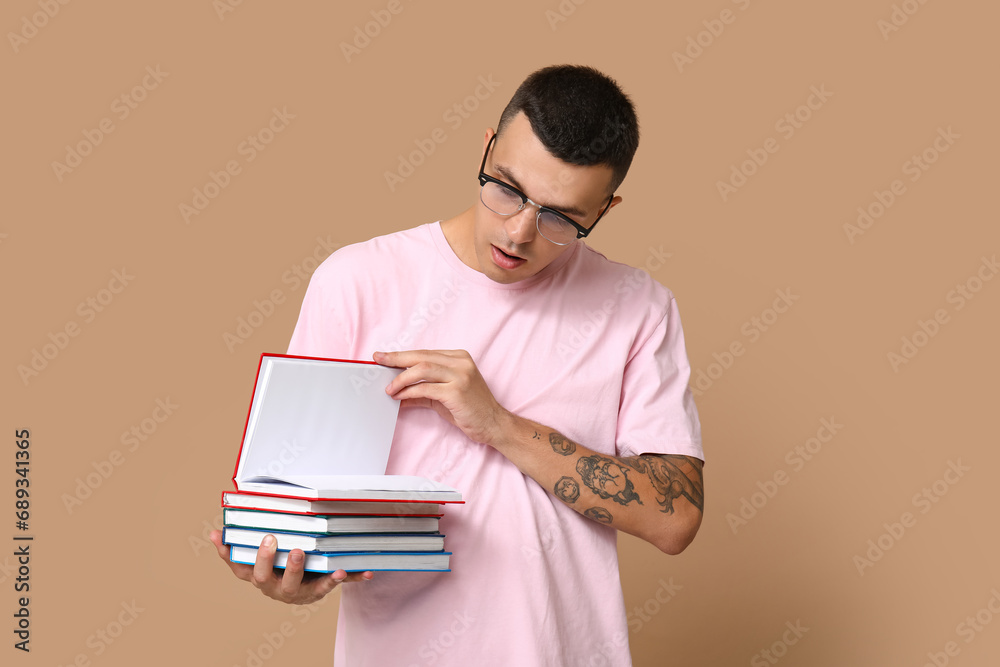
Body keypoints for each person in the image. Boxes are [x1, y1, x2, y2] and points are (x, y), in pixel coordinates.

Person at [211, 64, 705, 666]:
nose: (520, 231)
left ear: (604, 208)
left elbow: (674, 519)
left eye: (560, 218)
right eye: (506, 187)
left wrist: (498, 424)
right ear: (487, 149)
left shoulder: (637, 307)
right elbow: (288, 506)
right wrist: (285, 568)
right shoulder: (358, 281)